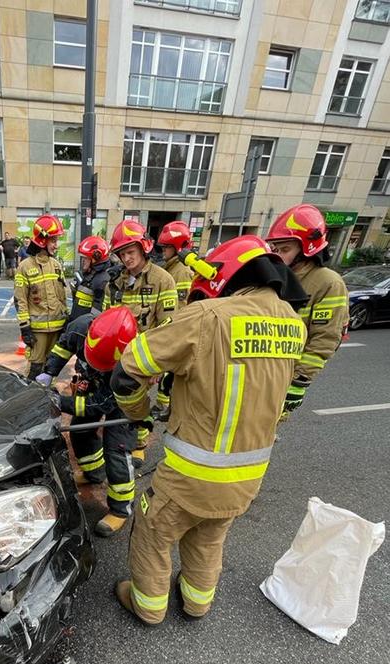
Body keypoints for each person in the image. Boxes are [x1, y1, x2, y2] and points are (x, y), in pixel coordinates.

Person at [110, 235, 308, 625]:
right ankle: (196, 602)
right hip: (248, 474)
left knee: (152, 530)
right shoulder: (292, 323)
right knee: (209, 533)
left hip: (192, 473)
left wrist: (138, 415)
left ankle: (148, 607)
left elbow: (127, 371)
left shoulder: (208, 317)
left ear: (228, 273)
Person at [37, 308, 138, 537]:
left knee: (117, 450)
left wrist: (58, 401)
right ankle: (94, 473)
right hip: (91, 383)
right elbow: (63, 347)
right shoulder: (82, 326)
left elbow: (100, 405)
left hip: (121, 399)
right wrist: (48, 372)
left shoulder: (131, 364)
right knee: (80, 433)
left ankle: (121, 509)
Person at [102, 220, 178, 464]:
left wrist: (157, 365)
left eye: (130, 252)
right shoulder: (115, 282)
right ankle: (120, 439)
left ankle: (139, 443)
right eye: (122, 253)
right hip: (118, 355)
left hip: (145, 356)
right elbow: (106, 320)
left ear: (143, 248)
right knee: (118, 399)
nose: (126, 258)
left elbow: (168, 326)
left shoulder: (162, 280)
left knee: (138, 401)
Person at [266, 204, 349, 417]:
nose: (278, 256)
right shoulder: (277, 277)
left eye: (285, 250)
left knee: (261, 431)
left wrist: (299, 382)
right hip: (262, 368)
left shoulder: (328, 283)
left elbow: (325, 338)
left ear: (307, 250)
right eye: (274, 249)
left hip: (287, 374)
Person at [14, 214, 68, 380]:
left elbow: (62, 297)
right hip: (37, 332)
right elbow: (20, 300)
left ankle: (47, 399)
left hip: (57, 329)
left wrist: (66, 320)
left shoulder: (56, 265)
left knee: (51, 369)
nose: (56, 245)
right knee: (36, 369)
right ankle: (30, 401)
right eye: (53, 241)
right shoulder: (24, 267)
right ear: (43, 240)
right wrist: (25, 327)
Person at [154, 221, 196, 417]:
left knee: (171, 373)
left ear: (178, 247)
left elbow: (182, 305)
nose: (163, 251)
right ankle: (163, 402)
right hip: (175, 328)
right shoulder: (172, 267)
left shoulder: (182, 271)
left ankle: (164, 404)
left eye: (167, 247)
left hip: (179, 328)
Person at [69, 235, 113, 321]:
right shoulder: (89, 275)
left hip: (84, 331)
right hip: (76, 327)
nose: (83, 260)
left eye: (86, 257)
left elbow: (95, 316)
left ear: (96, 258)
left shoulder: (102, 281)